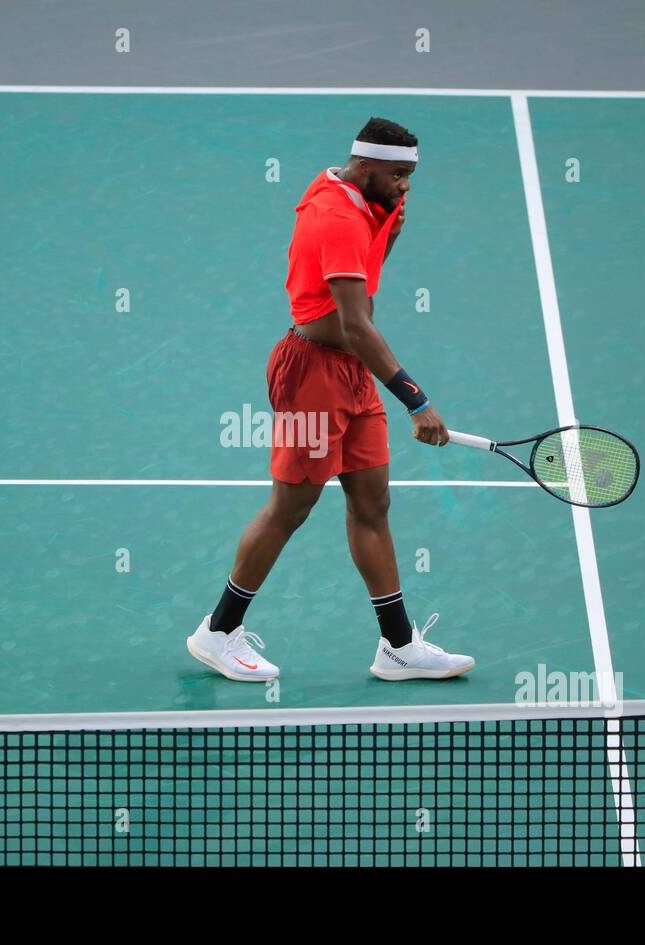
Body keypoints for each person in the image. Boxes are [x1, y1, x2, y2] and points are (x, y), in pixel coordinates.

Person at [187, 117, 474, 683]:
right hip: (311, 380)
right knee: (290, 508)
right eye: (397, 175)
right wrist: (415, 400)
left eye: (410, 176)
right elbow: (356, 322)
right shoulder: (338, 215)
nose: (405, 186)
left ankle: (397, 646)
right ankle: (217, 632)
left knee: (373, 503)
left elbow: (360, 299)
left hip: (352, 374)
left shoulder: (353, 194)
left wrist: (386, 236)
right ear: (365, 168)